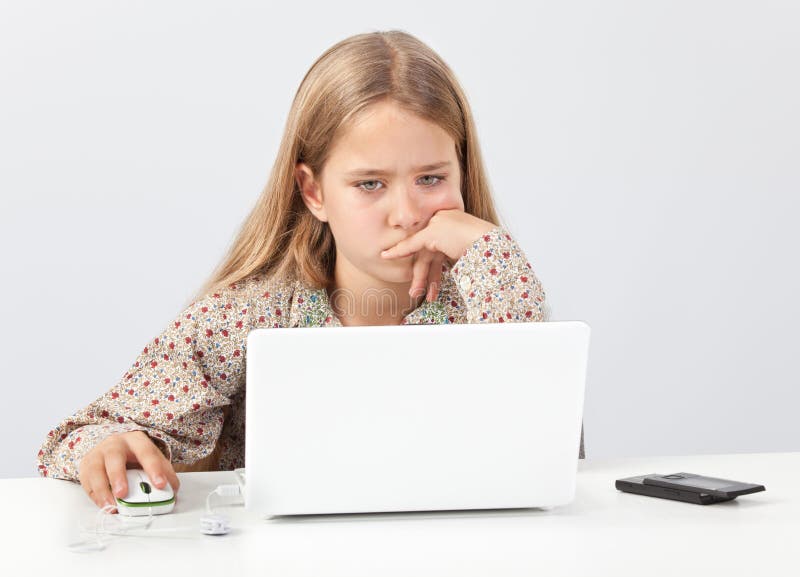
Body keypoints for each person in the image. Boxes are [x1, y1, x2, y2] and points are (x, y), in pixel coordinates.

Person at [35, 29, 585, 513]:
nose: (407, 214)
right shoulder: (250, 314)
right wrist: (106, 446)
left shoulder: (488, 298)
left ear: (461, 172)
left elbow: (537, 437)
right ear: (314, 191)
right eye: (370, 184)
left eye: (431, 178)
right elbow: (82, 435)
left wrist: (491, 248)